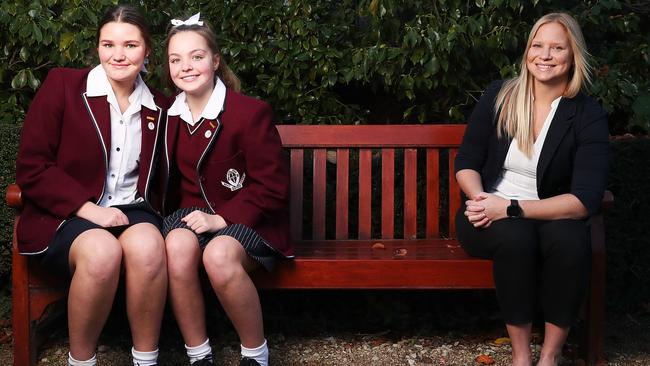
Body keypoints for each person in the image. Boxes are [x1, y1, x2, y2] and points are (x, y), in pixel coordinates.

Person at [15, 5, 168, 366]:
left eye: (130, 45)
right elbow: (32, 165)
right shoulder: (64, 86)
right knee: (102, 253)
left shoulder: (160, 107)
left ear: (147, 50)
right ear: (97, 47)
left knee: (149, 248)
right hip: (66, 214)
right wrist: (89, 210)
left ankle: (146, 360)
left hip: (134, 210)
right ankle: (81, 361)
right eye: (108, 44)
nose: (118, 55)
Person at [454, 12, 609, 366]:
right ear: (527, 52)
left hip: (550, 213)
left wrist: (509, 207)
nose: (545, 55)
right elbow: (466, 161)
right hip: (490, 214)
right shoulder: (500, 95)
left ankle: (550, 356)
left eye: (557, 47)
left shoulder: (587, 114)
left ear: (573, 56)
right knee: (516, 238)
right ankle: (521, 357)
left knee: (571, 242)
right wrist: (481, 199)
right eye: (538, 45)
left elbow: (584, 199)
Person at [160, 13, 292, 366]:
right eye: (176, 60)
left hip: (249, 218)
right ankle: (198, 354)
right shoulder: (165, 117)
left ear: (215, 60)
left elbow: (274, 187)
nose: (186, 67)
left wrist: (223, 218)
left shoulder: (249, 113)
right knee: (174, 245)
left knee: (218, 255)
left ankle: (255, 354)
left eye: (197, 57)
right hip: (192, 216)